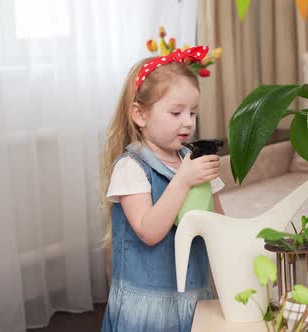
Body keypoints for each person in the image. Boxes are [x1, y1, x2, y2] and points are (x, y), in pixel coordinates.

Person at [100, 46, 224, 331]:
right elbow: (149, 231)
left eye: (192, 112)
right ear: (140, 115)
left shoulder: (192, 162)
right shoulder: (130, 168)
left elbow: (219, 226)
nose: (188, 122)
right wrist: (183, 180)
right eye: (176, 112)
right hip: (148, 311)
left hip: (194, 300)